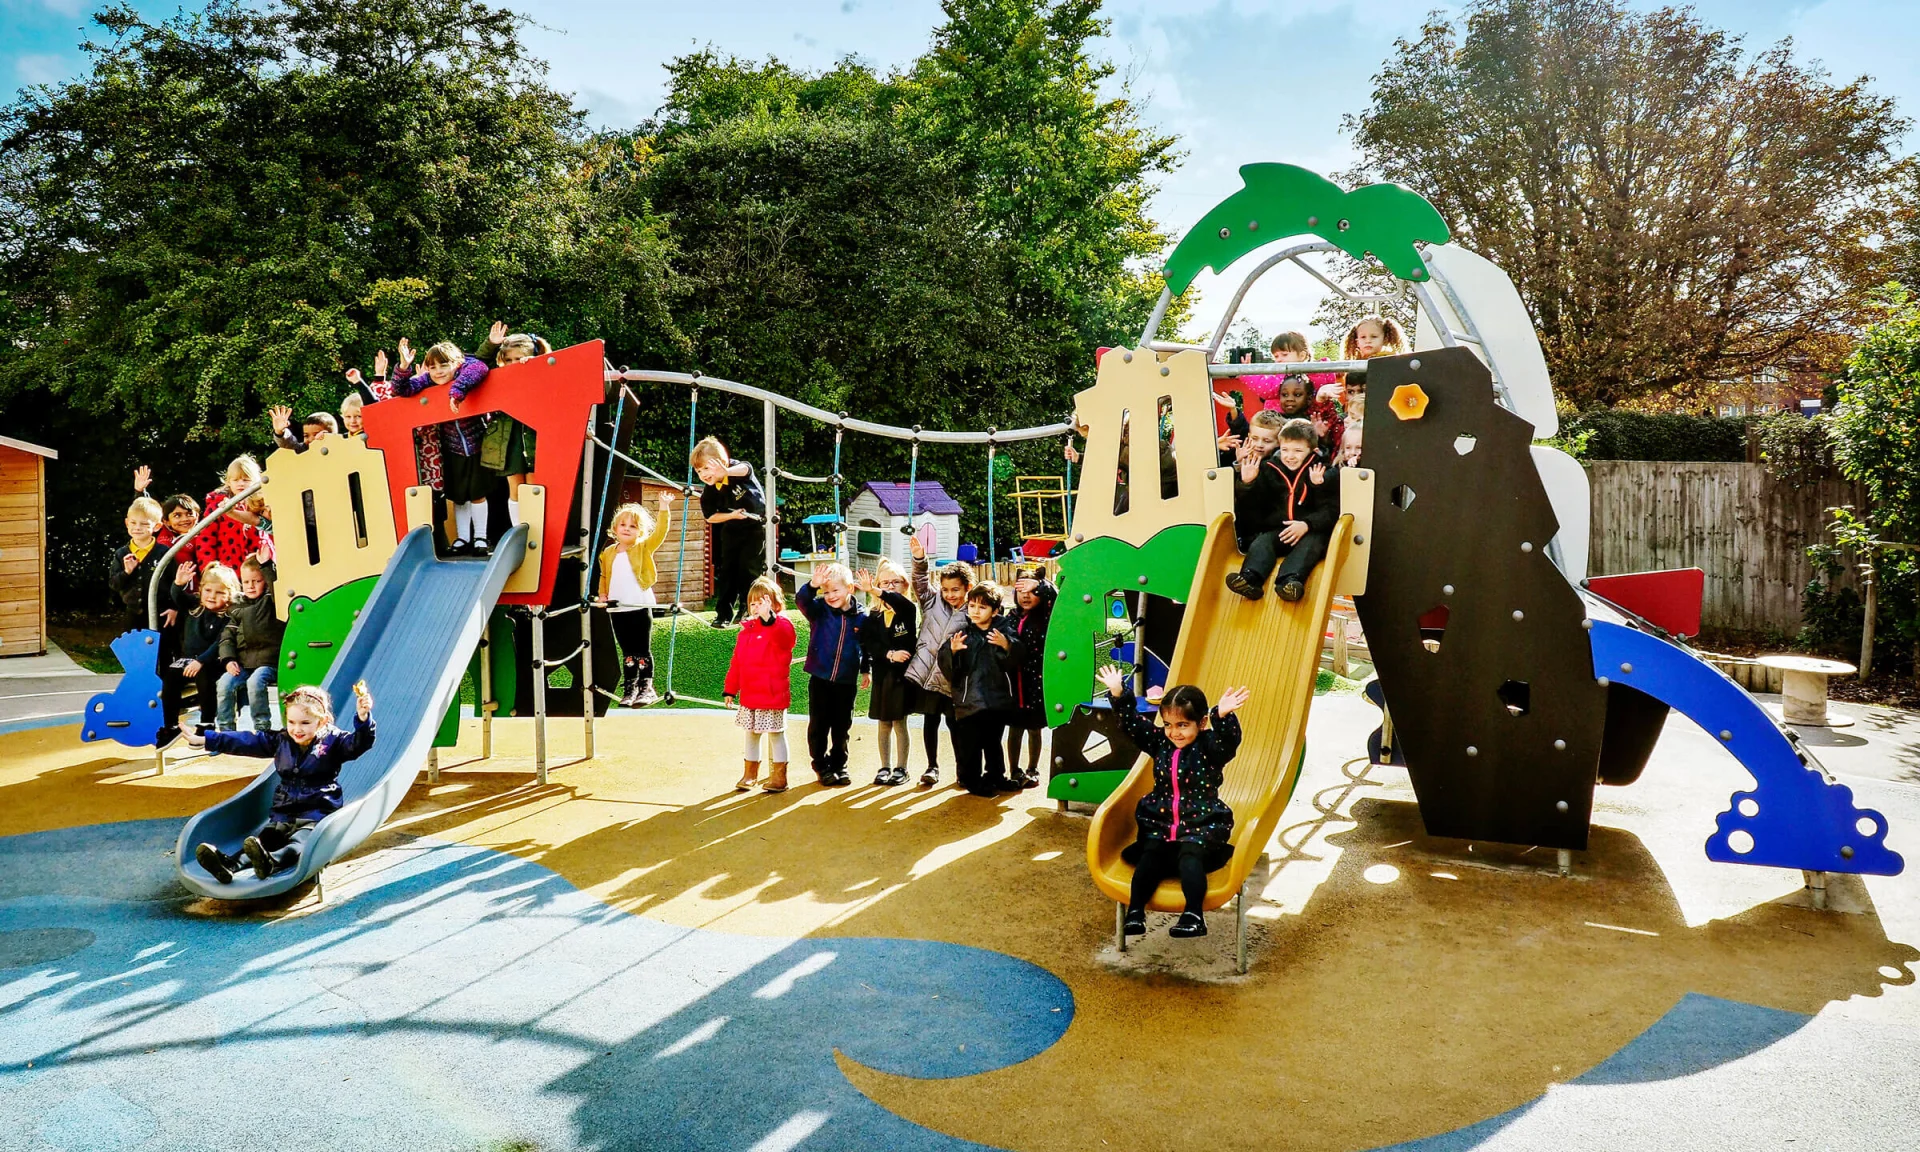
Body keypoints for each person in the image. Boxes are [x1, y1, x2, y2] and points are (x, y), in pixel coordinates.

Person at [1095, 665, 1250, 939]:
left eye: (1182, 725)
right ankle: (1136, 911)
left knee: (1191, 858)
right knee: (1149, 856)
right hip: (1162, 822)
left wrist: (1221, 715)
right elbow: (1132, 725)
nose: (1174, 732)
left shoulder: (1210, 747)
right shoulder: (1160, 743)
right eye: (1168, 724)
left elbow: (1229, 741)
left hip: (1200, 824)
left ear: (1200, 724)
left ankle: (1193, 915)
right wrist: (1119, 694)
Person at [186, 683, 376, 883]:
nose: (297, 729)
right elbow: (245, 741)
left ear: (322, 721)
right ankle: (230, 865)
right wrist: (207, 740)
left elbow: (359, 744)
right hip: (284, 810)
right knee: (265, 839)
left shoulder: (335, 741)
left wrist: (363, 720)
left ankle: (273, 862)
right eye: (292, 722)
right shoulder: (281, 740)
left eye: (305, 723)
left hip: (317, 811)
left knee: (300, 842)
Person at [392, 337, 495, 556]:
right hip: (451, 447)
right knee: (458, 495)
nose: (438, 371)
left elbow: (479, 367)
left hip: (476, 444)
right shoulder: (429, 382)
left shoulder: (464, 371)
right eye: (433, 367)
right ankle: (463, 537)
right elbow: (402, 389)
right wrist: (404, 366)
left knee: (477, 493)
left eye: (444, 365)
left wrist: (457, 391)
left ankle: (480, 537)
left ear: (456, 363)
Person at [1224, 414, 1335, 603]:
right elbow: (1254, 507)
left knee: (1313, 544)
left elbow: (1332, 509)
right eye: (1285, 450)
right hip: (1279, 530)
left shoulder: (1321, 471)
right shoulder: (1269, 469)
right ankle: (1251, 578)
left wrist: (1308, 523)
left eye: (1298, 451)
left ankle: (1290, 581)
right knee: (1262, 543)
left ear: (1311, 450)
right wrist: (1247, 483)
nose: (1290, 456)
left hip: (1309, 531)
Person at [937, 581, 1023, 796]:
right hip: (969, 701)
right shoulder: (964, 634)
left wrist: (1007, 645)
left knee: (993, 742)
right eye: (972, 606)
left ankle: (996, 776)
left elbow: (1017, 658)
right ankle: (971, 780)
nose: (975, 611)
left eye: (982, 607)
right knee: (971, 745)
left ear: (995, 611)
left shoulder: (1004, 631)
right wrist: (953, 652)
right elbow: (946, 663)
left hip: (996, 700)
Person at [904, 533, 971, 788]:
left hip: (953, 678)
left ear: (966, 587)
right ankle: (932, 766)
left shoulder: (972, 611)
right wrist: (920, 559)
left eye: (955, 589)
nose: (950, 594)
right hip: (928, 675)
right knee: (930, 721)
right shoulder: (932, 602)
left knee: (955, 725)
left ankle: (961, 769)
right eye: (945, 589)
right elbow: (919, 581)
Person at [594, 493, 674, 707]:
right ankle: (630, 687)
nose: (627, 529)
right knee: (627, 650)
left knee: (641, 648)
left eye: (633, 526)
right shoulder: (608, 552)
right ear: (615, 527)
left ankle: (646, 687)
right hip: (617, 607)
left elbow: (660, 534)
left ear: (640, 531)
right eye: (623, 524)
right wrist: (603, 595)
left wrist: (664, 508)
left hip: (638, 604)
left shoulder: (642, 548)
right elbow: (603, 576)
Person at [723, 575, 797, 793]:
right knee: (751, 734)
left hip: (772, 694)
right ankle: (750, 774)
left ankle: (779, 776)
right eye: (753, 603)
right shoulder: (747, 630)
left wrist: (770, 618)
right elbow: (737, 661)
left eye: (763, 602)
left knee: (776, 734)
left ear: (775, 604)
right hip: (750, 694)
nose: (757, 607)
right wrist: (730, 688)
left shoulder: (782, 624)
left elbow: (786, 640)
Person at [796, 562, 867, 788]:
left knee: (842, 725)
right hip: (820, 677)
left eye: (836, 590)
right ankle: (820, 764)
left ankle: (839, 764)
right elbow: (801, 601)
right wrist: (812, 585)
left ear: (850, 589)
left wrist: (866, 669)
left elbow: (866, 646)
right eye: (826, 591)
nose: (830, 596)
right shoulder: (819, 610)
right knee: (819, 724)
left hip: (846, 680)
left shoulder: (861, 617)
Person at [478, 321, 550, 526]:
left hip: (535, 438)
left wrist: (537, 365)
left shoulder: (543, 373)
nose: (512, 364)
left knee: (535, 487)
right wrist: (492, 344)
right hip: (509, 439)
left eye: (518, 359)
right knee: (516, 489)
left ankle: (537, 530)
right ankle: (519, 529)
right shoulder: (498, 377)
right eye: (508, 359)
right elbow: (478, 364)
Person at [158, 562, 238, 745]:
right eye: (208, 591)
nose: (212, 596)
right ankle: (171, 725)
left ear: (230, 595)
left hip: (212, 660)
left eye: (219, 593)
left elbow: (220, 643)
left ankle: (207, 723)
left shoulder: (229, 616)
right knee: (170, 674)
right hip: (188, 659)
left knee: (205, 675)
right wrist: (178, 583)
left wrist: (201, 661)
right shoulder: (195, 605)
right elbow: (178, 597)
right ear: (201, 590)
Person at [855, 559, 919, 786]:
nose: (890, 587)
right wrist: (889, 654)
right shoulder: (873, 616)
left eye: (895, 582)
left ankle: (902, 768)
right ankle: (884, 766)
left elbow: (896, 600)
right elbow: (870, 645)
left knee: (899, 722)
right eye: (885, 582)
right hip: (883, 674)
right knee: (884, 722)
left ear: (905, 585)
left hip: (902, 677)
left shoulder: (907, 610)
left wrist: (875, 589)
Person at [692, 436, 766, 627]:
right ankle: (723, 613)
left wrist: (725, 471)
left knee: (748, 569)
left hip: (754, 527)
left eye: (707, 468)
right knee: (728, 571)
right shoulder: (709, 491)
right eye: (699, 471)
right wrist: (732, 516)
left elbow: (746, 468)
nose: (704, 474)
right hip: (732, 528)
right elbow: (710, 517)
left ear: (722, 463)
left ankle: (747, 609)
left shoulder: (735, 470)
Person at [217, 555, 284, 732]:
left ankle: (262, 728)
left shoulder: (270, 601)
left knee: (255, 682)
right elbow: (227, 637)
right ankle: (226, 730)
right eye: (246, 582)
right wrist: (228, 659)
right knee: (224, 683)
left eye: (256, 581)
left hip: (269, 662)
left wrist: (267, 566)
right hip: (244, 663)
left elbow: (277, 587)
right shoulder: (237, 607)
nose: (251, 586)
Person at [1004, 570, 1057, 788]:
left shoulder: (1046, 616)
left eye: (1032, 591)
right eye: (1021, 590)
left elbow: (1055, 595)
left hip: (1036, 681)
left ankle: (1033, 769)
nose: (1026, 596)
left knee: (1035, 728)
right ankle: (1014, 770)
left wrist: (1040, 584)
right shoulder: (1010, 617)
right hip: (1014, 682)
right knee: (1014, 728)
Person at [194, 455, 267, 574]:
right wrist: (209, 569)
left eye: (246, 479)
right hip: (228, 571)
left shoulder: (262, 505)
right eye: (236, 480)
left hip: (259, 567)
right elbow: (205, 539)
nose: (241, 484)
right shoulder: (217, 507)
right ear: (228, 482)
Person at [108, 496, 167, 633]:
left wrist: (173, 608)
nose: (137, 528)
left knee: (161, 650)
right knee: (134, 651)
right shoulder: (121, 553)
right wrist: (126, 572)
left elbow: (172, 583)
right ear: (127, 523)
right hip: (132, 614)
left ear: (157, 526)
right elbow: (114, 584)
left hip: (161, 614)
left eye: (144, 524)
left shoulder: (164, 553)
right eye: (133, 523)